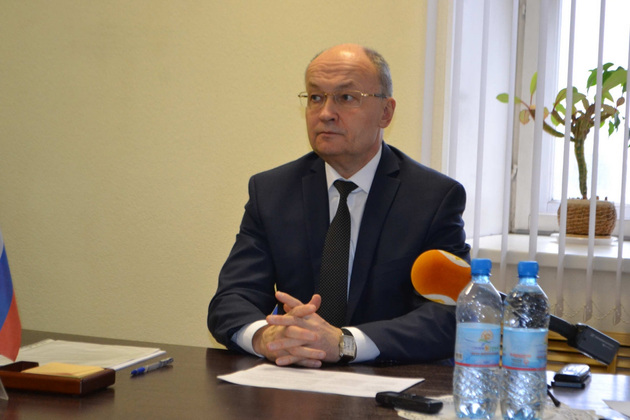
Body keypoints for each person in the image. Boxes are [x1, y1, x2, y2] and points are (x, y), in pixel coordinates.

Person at [208, 43, 470, 368]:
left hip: (390, 383)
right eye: (316, 97)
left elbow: (447, 316)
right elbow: (231, 299)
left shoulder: (433, 198)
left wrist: (345, 343)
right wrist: (267, 337)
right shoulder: (272, 192)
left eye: (346, 98)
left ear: (386, 112)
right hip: (294, 382)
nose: (325, 113)